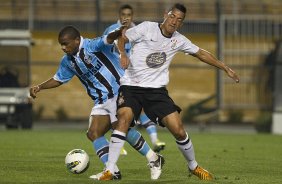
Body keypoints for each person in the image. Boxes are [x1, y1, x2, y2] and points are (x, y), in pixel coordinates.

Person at [96, 3, 240, 181]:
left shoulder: (179, 40)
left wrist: (225, 67)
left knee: (179, 130)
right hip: (131, 87)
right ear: (166, 15)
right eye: (173, 16)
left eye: (179, 19)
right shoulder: (147, 28)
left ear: (181, 23)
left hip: (156, 92)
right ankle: (110, 169)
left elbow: (201, 53)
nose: (174, 21)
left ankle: (193, 166)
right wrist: (123, 54)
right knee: (123, 120)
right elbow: (123, 36)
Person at [29, 25, 164, 180]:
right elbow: (58, 79)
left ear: (77, 40)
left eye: (66, 43)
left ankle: (153, 158)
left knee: (118, 127)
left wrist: (118, 31)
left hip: (118, 91)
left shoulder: (91, 45)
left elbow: (108, 38)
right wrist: (39, 87)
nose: (63, 47)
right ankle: (112, 170)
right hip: (101, 100)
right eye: (61, 44)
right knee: (94, 133)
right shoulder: (67, 61)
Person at [103, 4, 166, 153]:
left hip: (132, 76)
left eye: (128, 15)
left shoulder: (138, 30)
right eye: (123, 14)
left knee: (140, 108)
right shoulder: (111, 30)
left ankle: (154, 140)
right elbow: (103, 49)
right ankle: (118, 142)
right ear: (119, 15)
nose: (126, 17)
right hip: (113, 76)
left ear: (132, 16)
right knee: (113, 110)